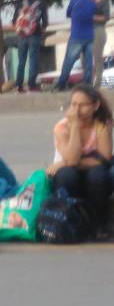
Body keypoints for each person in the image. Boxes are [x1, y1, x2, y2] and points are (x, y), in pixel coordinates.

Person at [47, 84, 113, 238]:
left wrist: (64, 163)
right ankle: (71, 223)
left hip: (92, 174)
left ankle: (99, 225)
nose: (76, 110)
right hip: (69, 176)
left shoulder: (101, 125)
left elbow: (104, 158)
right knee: (67, 174)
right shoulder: (62, 128)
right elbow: (71, 159)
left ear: (95, 106)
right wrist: (75, 127)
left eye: (82, 105)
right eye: (73, 104)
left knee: (98, 174)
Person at [56, 0, 97, 90]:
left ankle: (61, 84)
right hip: (90, 36)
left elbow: (68, 14)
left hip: (76, 35)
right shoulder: (93, 1)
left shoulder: (74, 1)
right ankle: (88, 85)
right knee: (88, 63)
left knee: (69, 61)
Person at [11, 0, 48, 92]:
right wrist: (41, 33)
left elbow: (14, 21)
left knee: (21, 61)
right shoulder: (41, 4)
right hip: (35, 35)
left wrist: (19, 30)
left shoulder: (20, 3)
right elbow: (44, 22)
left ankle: (19, 85)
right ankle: (32, 85)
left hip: (21, 35)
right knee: (33, 60)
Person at [90, 0, 110, 88]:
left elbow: (106, 17)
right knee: (84, 57)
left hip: (99, 30)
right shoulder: (90, 1)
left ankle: (97, 83)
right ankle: (88, 81)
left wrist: (94, 17)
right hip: (88, 31)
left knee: (97, 58)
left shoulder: (104, 2)